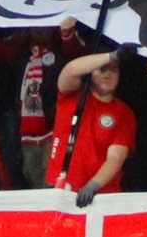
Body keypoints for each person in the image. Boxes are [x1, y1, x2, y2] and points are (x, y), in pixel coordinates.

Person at [45, 47, 137, 204]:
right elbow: (70, 70)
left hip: (100, 196)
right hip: (60, 187)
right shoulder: (72, 96)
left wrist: (93, 185)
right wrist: (112, 56)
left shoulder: (124, 113)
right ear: (90, 73)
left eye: (114, 70)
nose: (107, 75)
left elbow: (115, 158)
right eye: (102, 69)